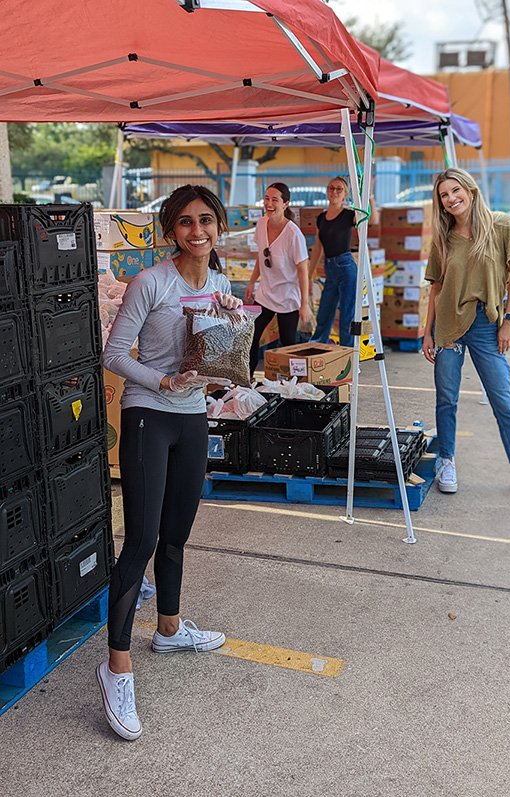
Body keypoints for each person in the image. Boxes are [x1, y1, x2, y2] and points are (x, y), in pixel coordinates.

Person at [98, 185, 243, 741]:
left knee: (178, 535)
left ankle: (170, 627)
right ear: (170, 230)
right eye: (185, 222)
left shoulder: (222, 285)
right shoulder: (150, 282)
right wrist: (161, 380)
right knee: (140, 541)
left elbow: (220, 357)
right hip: (147, 416)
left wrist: (230, 321)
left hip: (192, 416)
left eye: (206, 220)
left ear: (219, 225)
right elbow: (114, 355)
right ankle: (116, 667)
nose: (197, 231)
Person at [422, 167, 510, 501]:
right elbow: (436, 289)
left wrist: (509, 320)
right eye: (444, 195)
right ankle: (447, 460)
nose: (451, 199)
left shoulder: (500, 226)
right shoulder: (443, 238)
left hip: (486, 323)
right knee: (446, 398)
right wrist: (428, 333)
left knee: (501, 398)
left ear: (470, 189)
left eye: (455, 191)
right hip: (449, 328)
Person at [244, 182, 311, 377]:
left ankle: (294, 383)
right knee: (251, 336)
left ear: (286, 204)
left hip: (288, 298)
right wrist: (251, 282)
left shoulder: (293, 234)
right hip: (265, 294)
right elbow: (261, 256)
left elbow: (303, 270)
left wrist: (305, 304)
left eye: (275, 200)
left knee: (288, 343)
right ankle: (246, 381)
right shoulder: (262, 223)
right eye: (266, 198)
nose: (269, 203)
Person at [309, 176, 378, 347]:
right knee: (325, 311)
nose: (334, 192)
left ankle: (348, 355)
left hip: (346, 267)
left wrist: (369, 196)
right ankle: (318, 347)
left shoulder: (349, 214)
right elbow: (318, 247)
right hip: (330, 268)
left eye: (339, 189)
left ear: (345, 194)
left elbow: (373, 220)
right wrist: (309, 274)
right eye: (331, 188)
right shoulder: (322, 217)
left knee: (347, 313)